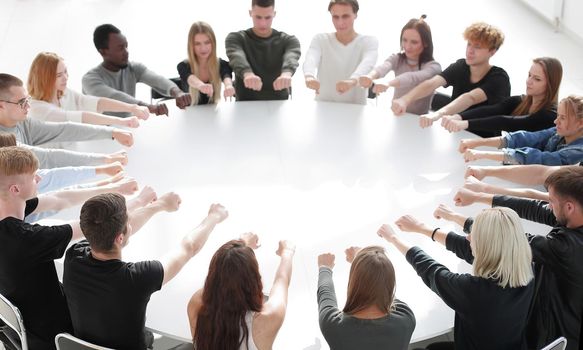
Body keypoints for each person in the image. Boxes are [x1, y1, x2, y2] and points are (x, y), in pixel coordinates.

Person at [0, 146, 142, 349]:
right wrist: (141, 203)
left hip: (21, 329)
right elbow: (94, 226)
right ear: (15, 189)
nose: (39, 179)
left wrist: (112, 188)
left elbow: (61, 199)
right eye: (33, 177)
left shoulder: (7, 212)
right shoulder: (27, 239)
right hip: (53, 332)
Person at [63, 194, 228, 349]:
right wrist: (214, 216)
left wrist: (160, 205)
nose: (131, 223)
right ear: (120, 238)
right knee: (196, 344)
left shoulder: (73, 256)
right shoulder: (137, 278)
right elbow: (189, 247)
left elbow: (118, 230)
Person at [452, 167, 583, 350]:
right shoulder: (575, 217)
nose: (548, 206)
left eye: (551, 201)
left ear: (569, 207)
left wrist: (460, 220)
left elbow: (506, 237)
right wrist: (478, 196)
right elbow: (534, 208)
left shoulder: (566, 248)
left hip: (555, 335)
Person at [378, 207, 534, 350]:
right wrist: (421, 227)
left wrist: (393, 238)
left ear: (486, 246)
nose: (467, 237)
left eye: (474, 235)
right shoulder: (526, 267)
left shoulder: (474, 292)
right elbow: (467, 247)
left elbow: (431, 271)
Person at [0, 73, 132, 168]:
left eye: (27, 99)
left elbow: (63, 129)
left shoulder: (23, 123)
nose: (28, 106)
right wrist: (105, 159)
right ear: (1, 105)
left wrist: (112, 132)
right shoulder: (4, 141)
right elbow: (47, 158)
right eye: (22, 102)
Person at [391, 22, 509, 127]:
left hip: (483, 140)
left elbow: (470, 98)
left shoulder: (499, 78)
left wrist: (436, 115)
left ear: (492, 51)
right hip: (455, 131)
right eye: (469, 44)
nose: (470, 51)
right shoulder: (461, 66)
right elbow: (432, 83)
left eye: (477, 47)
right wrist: (405, 100)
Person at [188, 233, 295, 349]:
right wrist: (287, 252)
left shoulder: (196, 305)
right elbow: (282, 280)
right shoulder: (266, 319)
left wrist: (241, 247)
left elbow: (219, 284)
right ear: (253, 281)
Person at [317, 246, 415, 349]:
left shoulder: (333, 327)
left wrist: (325, 267)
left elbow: (325, 293)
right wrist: (363, 264)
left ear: (353, 282)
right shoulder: (406, 318)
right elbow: (383, 291)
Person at [83, 24, 191, 116]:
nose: (126, 52)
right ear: (103, 52)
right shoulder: (90, 80)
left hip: (127, 131)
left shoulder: (133, 68)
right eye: (120, 48)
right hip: (100, 137)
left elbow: (157, 79)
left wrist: (178, 93)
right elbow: (115, 97)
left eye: (126, 46)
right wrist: (149, 107)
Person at [441, 57, 562, 137]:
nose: (529, 81)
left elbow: (508, 122)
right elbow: (493, 110)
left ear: (551, 85)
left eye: (537, 79)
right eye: (529, 75)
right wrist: (458, 116)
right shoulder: (521, 101)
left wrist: (465, 123)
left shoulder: (550, 115)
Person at [28, 52, 149, 126]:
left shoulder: (65, 93)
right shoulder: (37, 108)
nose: (66, 77)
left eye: (65, 72)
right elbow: (80, 117)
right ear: (45, 79)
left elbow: (96, 102)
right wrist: (122, 121)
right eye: (59, 75)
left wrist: (132, 107)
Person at [460, 95, 583, 165]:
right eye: (558, 116)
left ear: (580, 123)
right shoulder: (558, 132)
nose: (556, 121)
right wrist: (476, 143)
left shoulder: (578, 152)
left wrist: (483, 154)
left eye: (563, 118)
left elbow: (540, 158)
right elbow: (528, 138)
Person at [359, 15, 441, 114]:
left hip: (419, 121)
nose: (407, 46)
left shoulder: (434, 67)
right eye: (404, 40)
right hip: (396, 115)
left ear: (426, 43)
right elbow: (384, 67)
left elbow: (412, 78)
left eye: (414, 42)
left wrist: (388, 83)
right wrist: (370, 76)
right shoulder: (397, 58)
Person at [303, 0, 378, 105]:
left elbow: (367, 64)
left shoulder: (369, 42)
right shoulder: (320, 39)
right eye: (335, 17)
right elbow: (311, 58)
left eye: (345, 16)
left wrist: (352, 81)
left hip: (355, 109)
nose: (340, 22)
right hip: (324, 106)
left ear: (355, 14)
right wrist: (309, 76)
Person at [225, 0, 301, 101]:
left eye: (268, 17)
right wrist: (247, 73)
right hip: (245, 105)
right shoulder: (236, 38)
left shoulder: (289, 40)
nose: (263, 23)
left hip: (279, 104)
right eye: (258, 17)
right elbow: (237, 56)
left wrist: (286, 73)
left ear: (274, 14)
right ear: (250, 13)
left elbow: (291, 57)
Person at [177, 21, 235, 105]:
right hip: (190, 114)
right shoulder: (183, 66)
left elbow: (226, 75)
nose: (203, 48)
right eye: (197, 44)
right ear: (191, 45)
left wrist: (229, 86)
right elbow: (190, 78)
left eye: (207, 42)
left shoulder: (221, 64)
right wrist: (201, 86)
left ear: (213, 43)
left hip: (213, 114)